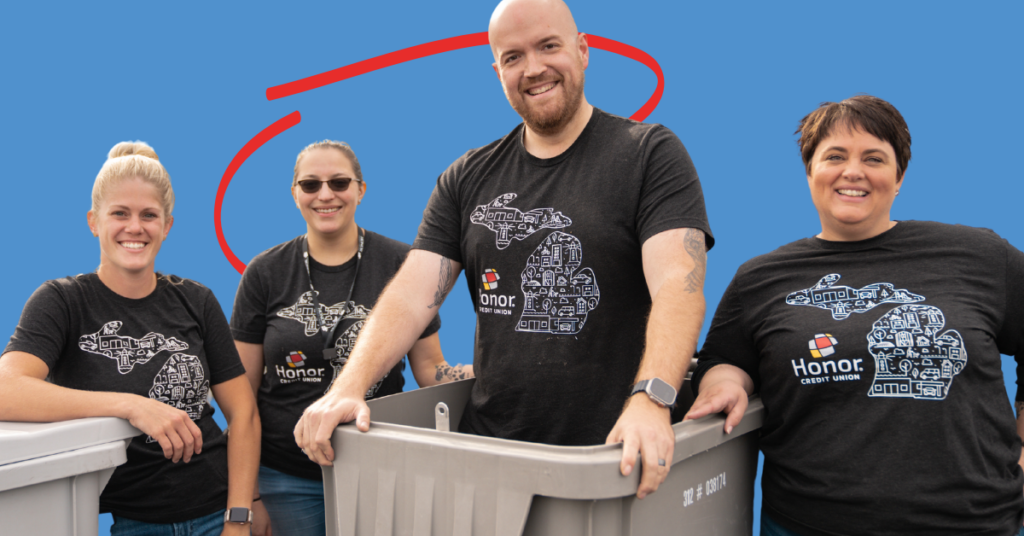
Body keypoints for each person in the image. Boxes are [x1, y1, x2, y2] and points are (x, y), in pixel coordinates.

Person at [294, 0, 713, 500]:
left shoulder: (649, 153)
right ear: (497, 71)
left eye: (549, 46)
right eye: (513, 57)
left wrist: (652, 398)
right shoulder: (466, 177)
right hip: (494, 464)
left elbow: (678, 284)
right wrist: (347, 387)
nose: (533, 68)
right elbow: (411, 294)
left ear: (583, 51)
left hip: (617, 457)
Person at [685, 95, 1024, 535]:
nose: (853, 171)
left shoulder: (978, 255)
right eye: (835, 156)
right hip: (807, 523)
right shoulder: (760, 277)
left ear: (899, 177)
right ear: (810, 171)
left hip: (973, 523)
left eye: (874, 158)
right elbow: (724, 360)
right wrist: (725, 383)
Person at [0, 142, 260, 536]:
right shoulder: (62, 301)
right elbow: (6, 391)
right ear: (93, 221)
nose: (135, 227)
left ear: (167, 226)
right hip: (130, 521)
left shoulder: (197, 299)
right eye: (119, 213)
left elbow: (243, 415)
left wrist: (239, 517)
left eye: (149, 215)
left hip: (216, 512)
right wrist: (132, 406)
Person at [231, 140, 471, 536]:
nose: (325, 194)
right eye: (310, 185)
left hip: (379, 470)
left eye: (339, 182)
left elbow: (430, 368)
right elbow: (241, 396)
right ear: (295, 195)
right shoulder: (264, 272)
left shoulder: (402, 263)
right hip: (284, 479)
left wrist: (489, 375)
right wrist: (248, 496)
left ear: (360, 189)